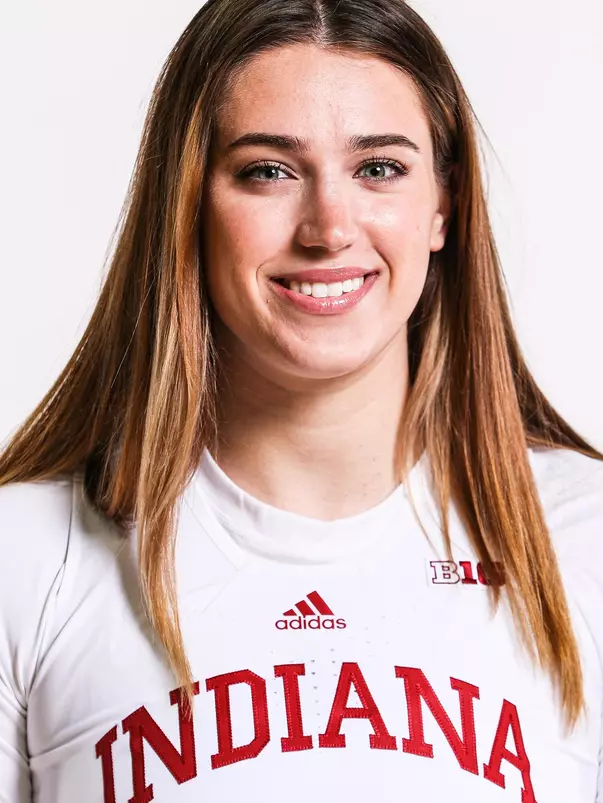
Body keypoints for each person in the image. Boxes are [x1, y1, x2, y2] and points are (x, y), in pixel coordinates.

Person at [0, 0, 601, 800]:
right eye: (268, 171)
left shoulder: (584, 543)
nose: (327, 228)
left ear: (443, 206)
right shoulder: (29, 556)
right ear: (187, 205)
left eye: (378, 168)